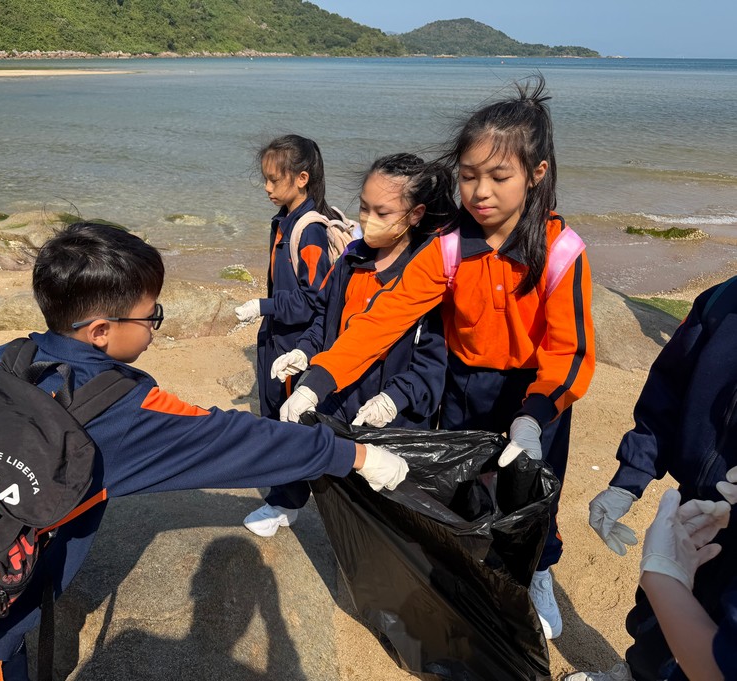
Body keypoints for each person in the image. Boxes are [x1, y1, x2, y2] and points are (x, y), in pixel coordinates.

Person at [0, 222, 409, 680]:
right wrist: (354, 456)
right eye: (151, 315)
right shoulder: (123, 409)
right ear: (101, 330)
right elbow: (238, 438)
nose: (155, 326)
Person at [277, 77, 595, 639]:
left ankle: (539, 571)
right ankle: (478, 570)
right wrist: (318, 379)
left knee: (534, 486)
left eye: (499, 176)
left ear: (536, 173)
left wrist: (536, 415)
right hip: (465, 385)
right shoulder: (448, 248)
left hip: (537, 393)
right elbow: (382, 320)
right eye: (468, 176)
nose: (480, 192)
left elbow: (568, 351)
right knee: (469, 485)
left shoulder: (561, 251)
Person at [243, 153, 455, 537]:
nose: (369, 220)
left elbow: (431, 367)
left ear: (416, 214)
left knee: (381, 500)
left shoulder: (425, 280)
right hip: (334, 391)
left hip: (389, 415)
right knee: (310, 444)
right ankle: (285, 502)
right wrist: (304, 350)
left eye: (383, 212)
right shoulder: (350, 261)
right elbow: (324, 318)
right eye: (364, 207)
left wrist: (395, 398)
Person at [584, 275, 737, 679]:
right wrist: (629, 478)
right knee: (654, 616)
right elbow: (666, 392)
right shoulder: (722, 299)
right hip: (698, 504)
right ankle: (636, 673)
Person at [565, 474, 737, 681]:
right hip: (712, 519)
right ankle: (635, 675)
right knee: (650, 628)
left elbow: (723, 667)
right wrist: (631, 475)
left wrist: (661, 582)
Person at [234, 135, 340, 420]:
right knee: (270, 409)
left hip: (295, 343)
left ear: (302, 178)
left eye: (274, 180)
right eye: (265, 179)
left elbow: (312, 302)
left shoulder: (310, 232)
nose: (267, 188)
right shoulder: (283, 220)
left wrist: (263, 306)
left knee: (287, 418)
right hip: (275, 333)